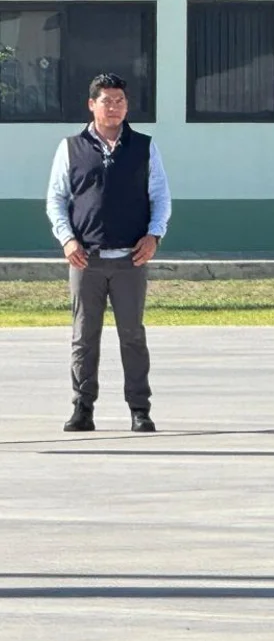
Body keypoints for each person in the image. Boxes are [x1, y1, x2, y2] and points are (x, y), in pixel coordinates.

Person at [45, 73, 172, 434]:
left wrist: (154, 235)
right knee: (84, 336)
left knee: (132, 335)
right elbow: (57, 198)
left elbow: (160, 197)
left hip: (131, 259)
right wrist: (68, 239)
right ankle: (82, 408)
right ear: (92, 104)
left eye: (120, 101)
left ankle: (139, 409)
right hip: (86, 259)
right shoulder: (71, 147)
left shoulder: (144, 147)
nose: (114, 107)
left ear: (126, 106)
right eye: (106, 100)